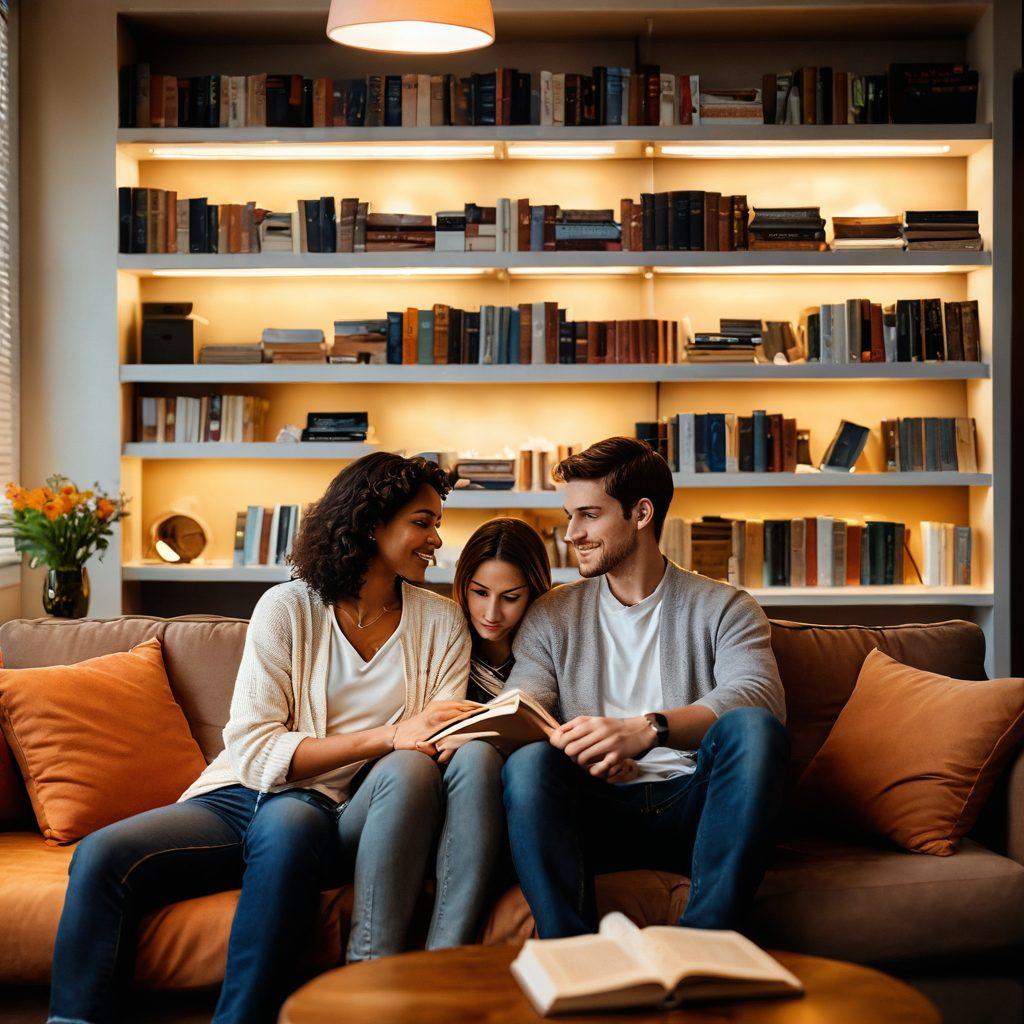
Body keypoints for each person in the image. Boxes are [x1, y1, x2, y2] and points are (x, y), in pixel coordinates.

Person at [48, 453, 486, 1024]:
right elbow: (254, 750)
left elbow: (426, 747)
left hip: (341, 807)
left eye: (437, 523)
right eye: (422, 522)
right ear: (374, 524)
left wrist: (408, 741)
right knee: (103, 855)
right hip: (239, 793)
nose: (436, 539)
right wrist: (387, 734)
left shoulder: (441, 622)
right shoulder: (288, 607)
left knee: (289, 821)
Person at [501, 437, 789, 939]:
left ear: (640, 513)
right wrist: (583, 749)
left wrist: (647, 730)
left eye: (588, 515)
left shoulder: (725, 606)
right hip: (597, 810)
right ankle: (569, 948)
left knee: (754, 729)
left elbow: (758, 695)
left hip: (696, 809)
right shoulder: (551, 615)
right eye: (570, 516)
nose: (572, 534)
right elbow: (524, 706)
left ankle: (706, 941)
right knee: (529, 762)